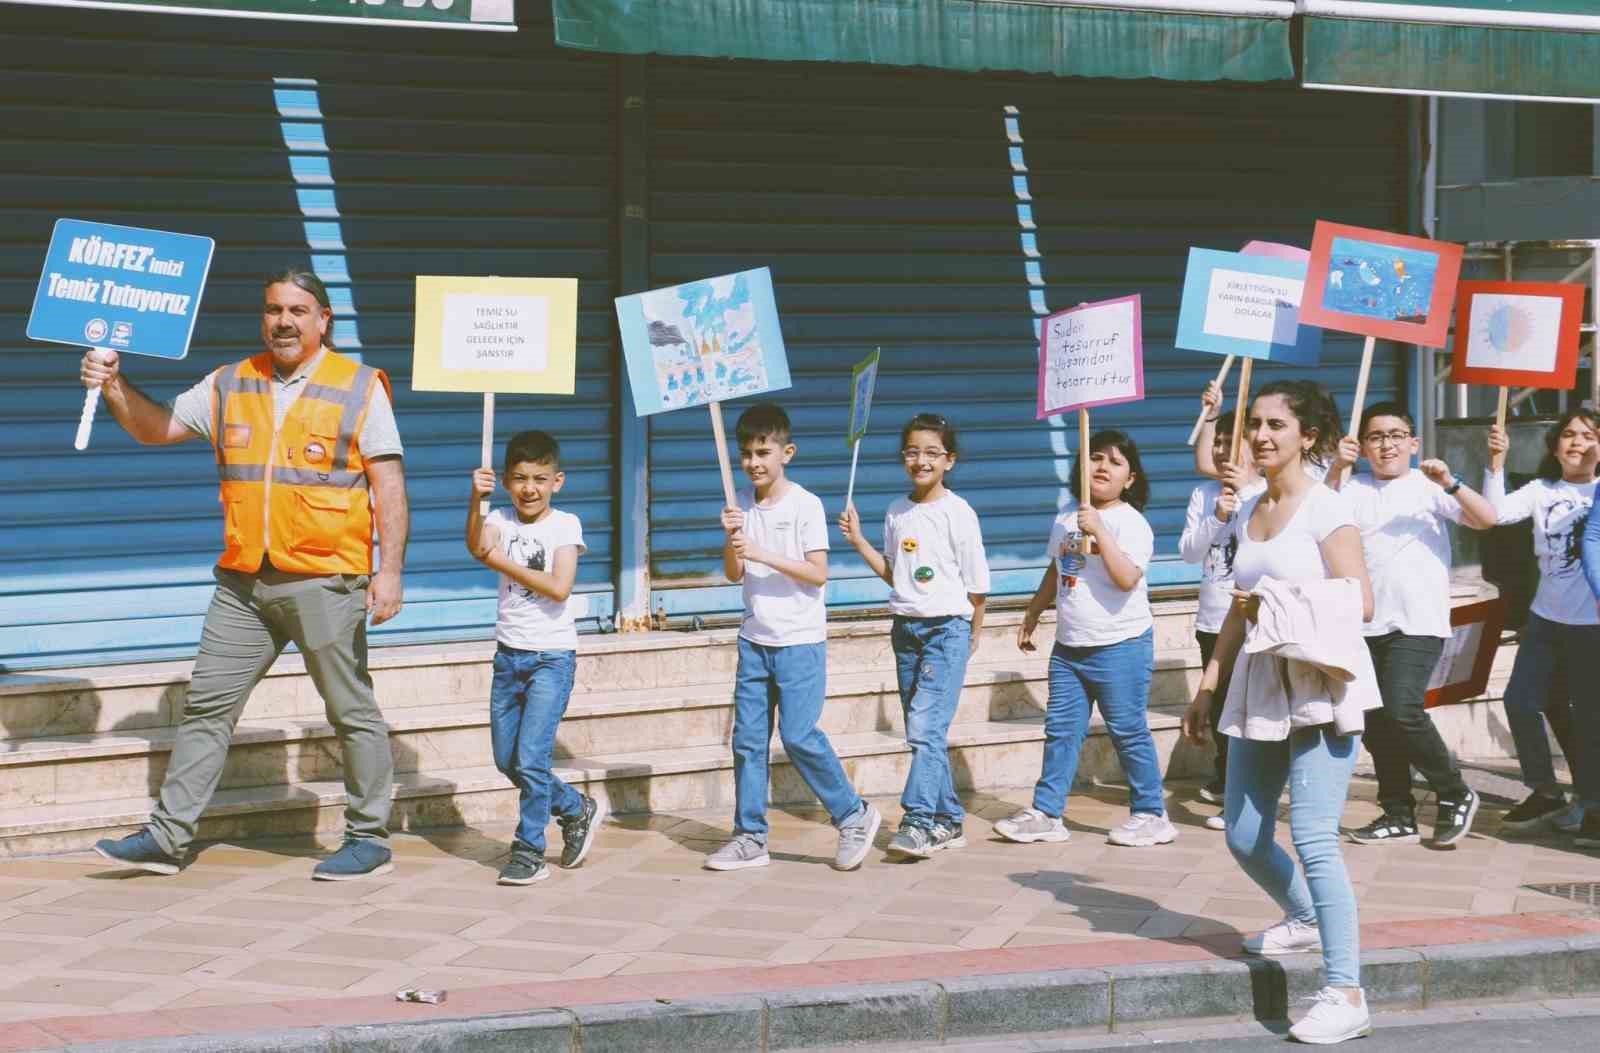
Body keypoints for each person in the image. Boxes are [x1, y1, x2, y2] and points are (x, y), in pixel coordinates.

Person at [88, 267, 405, 881]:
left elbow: (388, 484)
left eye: (297, 310)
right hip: (243, 583)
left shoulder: (359, 387)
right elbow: (156, 429)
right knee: (206, 707)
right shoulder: (232, 381)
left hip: (325, 578)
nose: (283, 321)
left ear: (323, 319)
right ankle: (167, 838)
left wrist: (388, 571)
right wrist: (114, 383)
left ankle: (369, 839)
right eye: (272, 310)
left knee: (350, 710)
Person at [1183, 380, 1376, 1045]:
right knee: (1242, 833)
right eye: (1255, 424)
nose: (1261, 435)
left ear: (1309, 436)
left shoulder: (1328, 510)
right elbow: (1238, 606)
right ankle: (1303, 916)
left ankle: (1346, 989)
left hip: (1320, 681)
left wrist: (1273, 597)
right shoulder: (1250, 508)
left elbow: (1363, 602)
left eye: (1276, 425)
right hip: (1260, 682)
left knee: (1316, 835)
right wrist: (1208, 684)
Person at [706, 403, 881, 872]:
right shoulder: (738, 502)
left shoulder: (805, 504)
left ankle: (853, 813)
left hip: (799, 640)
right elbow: (731, 573)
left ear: (788, 452)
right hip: (754, 639)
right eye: (746, 453)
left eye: (763, 451)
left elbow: (817, 574)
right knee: (747, 741)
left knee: (800, 736)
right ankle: (750, 836)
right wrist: (732, 539)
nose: (754, 462)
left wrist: (761, 551)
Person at [1329, 402, 1496, 848]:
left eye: (1395, 434)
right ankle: (1397, 812)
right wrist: (1335, 468)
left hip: (1417, 620)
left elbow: (1487, 519)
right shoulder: (1350, 489)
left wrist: (1452, 482)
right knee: (1377, 720)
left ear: (1413, 442)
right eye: (1376, 437)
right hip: (1364, 622)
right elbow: (1312, 524)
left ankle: (1454, 791)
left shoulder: (1429, 485)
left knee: (1403, 710)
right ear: (1363, 446)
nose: (1387, 444)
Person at [999, 429, 1175, 848]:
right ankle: (1047, 812)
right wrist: (1034, 610)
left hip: (1121, 644)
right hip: (1069, 646)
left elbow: (1127, 576)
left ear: (1130, 478)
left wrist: (1101, 530)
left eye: (1115, 462)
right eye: (1095, 457)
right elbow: (1057, 568)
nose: (1102, 467)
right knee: (1060, 730)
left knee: (1128, 730)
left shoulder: (1132, 522)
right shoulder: (1065, 517)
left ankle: (1152, 814)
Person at [841, 412, 990, 861]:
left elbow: (977, 586)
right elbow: (897, 575)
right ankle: (949, 820)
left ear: (950, 460)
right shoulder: (895, 511)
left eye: (931, 452)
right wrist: (859, 542)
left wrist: (972, 636)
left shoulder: (958, 512)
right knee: (923, 730)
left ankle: (919, 820)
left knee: (925, 729)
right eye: (912, 451)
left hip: (947, 629)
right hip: (906, 629)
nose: (920, 460)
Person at [467, 430, 605, 885]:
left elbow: (558, 586)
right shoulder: (500, 519)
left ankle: (528, 851)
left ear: (557, 481)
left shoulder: (565, 525)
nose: (530, 488)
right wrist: (476, 500)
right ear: (507, 481)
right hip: (509, 658)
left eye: (540, 478)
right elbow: (476, 545)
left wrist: (499, 562)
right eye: (521, 478)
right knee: (508, 760)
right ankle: (574, 806)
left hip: (551, 658)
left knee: (530, 759)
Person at [1483, 411, 1600, 841]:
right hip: (1546, 620)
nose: (1578, 443)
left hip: (1593, 626)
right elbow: (1494, 514)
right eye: (1568, 435)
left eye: (1588, 435)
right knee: (1521, 700)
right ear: (1554, 447)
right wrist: (1495, 464)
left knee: (1589, 718)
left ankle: (1592, 806)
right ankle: (1546, 790)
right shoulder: (1541, 490)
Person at [1179, 402, 1263, 825]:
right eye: (1219, 442)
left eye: (1235, 443)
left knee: (1244, 708)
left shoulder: (1266, 493)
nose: (1224, 451)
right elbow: (1190, 551)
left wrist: (1246, 498)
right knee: (1218, 708)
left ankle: (1240, 794)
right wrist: (1217, 516)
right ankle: (1228, 777)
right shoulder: (1204, 495)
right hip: (1213, 617)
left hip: (1252, 618)